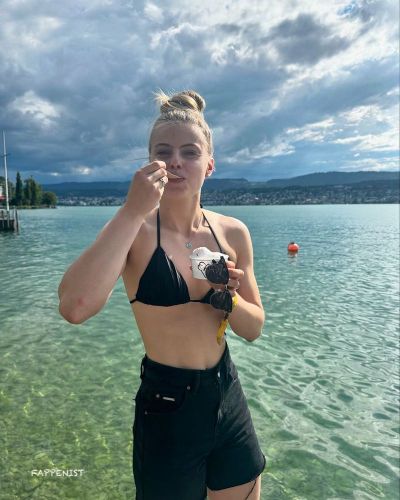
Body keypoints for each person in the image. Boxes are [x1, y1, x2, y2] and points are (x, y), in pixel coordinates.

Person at [58, 89, 266, 500]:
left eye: (190, 152)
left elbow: (254, 328)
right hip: (167, 402)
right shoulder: (133, 229)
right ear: (149, 161)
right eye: (163, 152)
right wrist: (131, 209)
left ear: (209, 165)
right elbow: (74, 307)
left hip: (227, 394)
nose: (175, 161)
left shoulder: (233, 232)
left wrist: (228, 295)